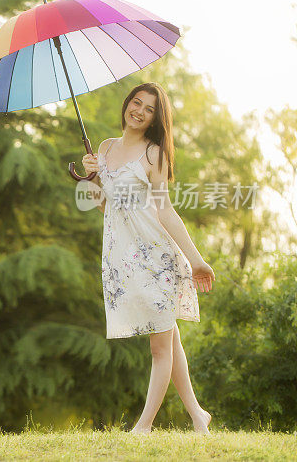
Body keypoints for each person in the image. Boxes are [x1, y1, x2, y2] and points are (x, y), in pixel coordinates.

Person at [80, 82, 216, 434]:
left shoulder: (154, 153)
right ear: (127, 104)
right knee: (167, 338)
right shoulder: (106, 148)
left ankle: (144, 426)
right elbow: (103, 205)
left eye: (149, 108)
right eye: (136, 102)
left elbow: (165, 209)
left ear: (156, 117)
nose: (139, 110)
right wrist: (92, 175)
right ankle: (199, 416)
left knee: (159, 346)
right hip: (123, 258)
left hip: (158, 257)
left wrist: (196, 259)